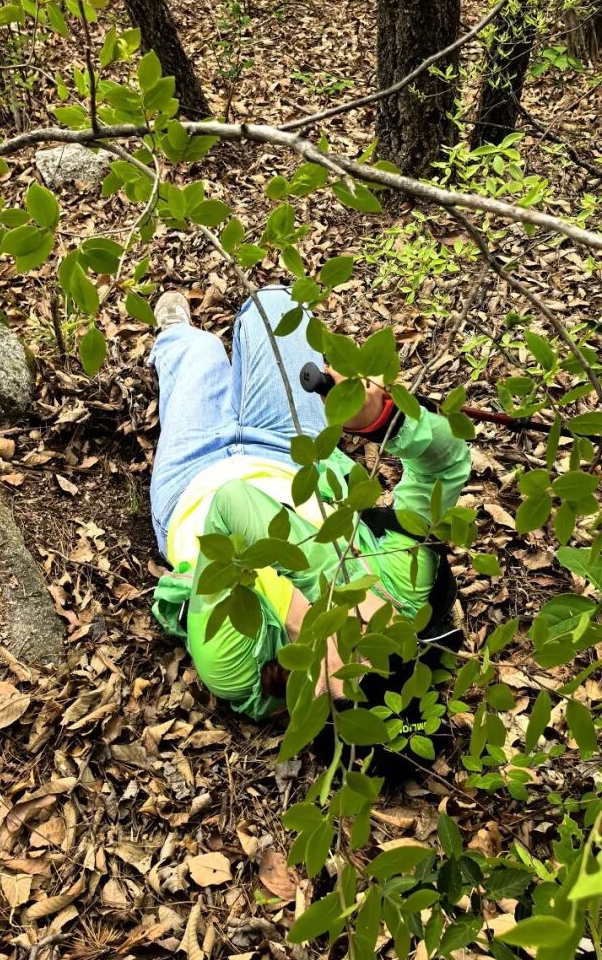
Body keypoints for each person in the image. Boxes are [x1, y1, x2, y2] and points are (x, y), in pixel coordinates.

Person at [148, 284, 472, 721]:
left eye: (347, 664)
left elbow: (232, 504)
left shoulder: (237, 669)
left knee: (195, 359)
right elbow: (447, 464)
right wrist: (384, 420)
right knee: (278, 304)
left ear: (318, 696)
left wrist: (310, 605)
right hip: (288, 453)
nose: (358, 634)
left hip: (191, 483)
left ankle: (174, 334)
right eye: (380, 645)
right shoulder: (403, 590)